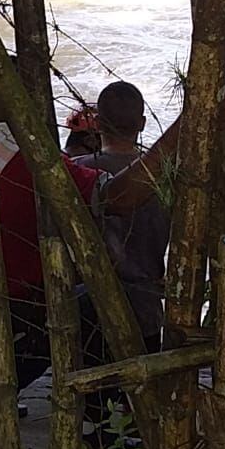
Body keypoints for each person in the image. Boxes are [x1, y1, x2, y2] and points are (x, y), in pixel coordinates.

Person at [0, 78, 182, 449]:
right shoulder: (27, 165)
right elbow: (117, 197)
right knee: (105, 307)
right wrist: (184, 127)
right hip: (18, 322)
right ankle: (100, 443)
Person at [71, 82, 168, 347]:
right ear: (143, 124)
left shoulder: (79, 172)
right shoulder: (166, 180)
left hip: (92, 310)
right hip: (146, 309)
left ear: (97, 124)